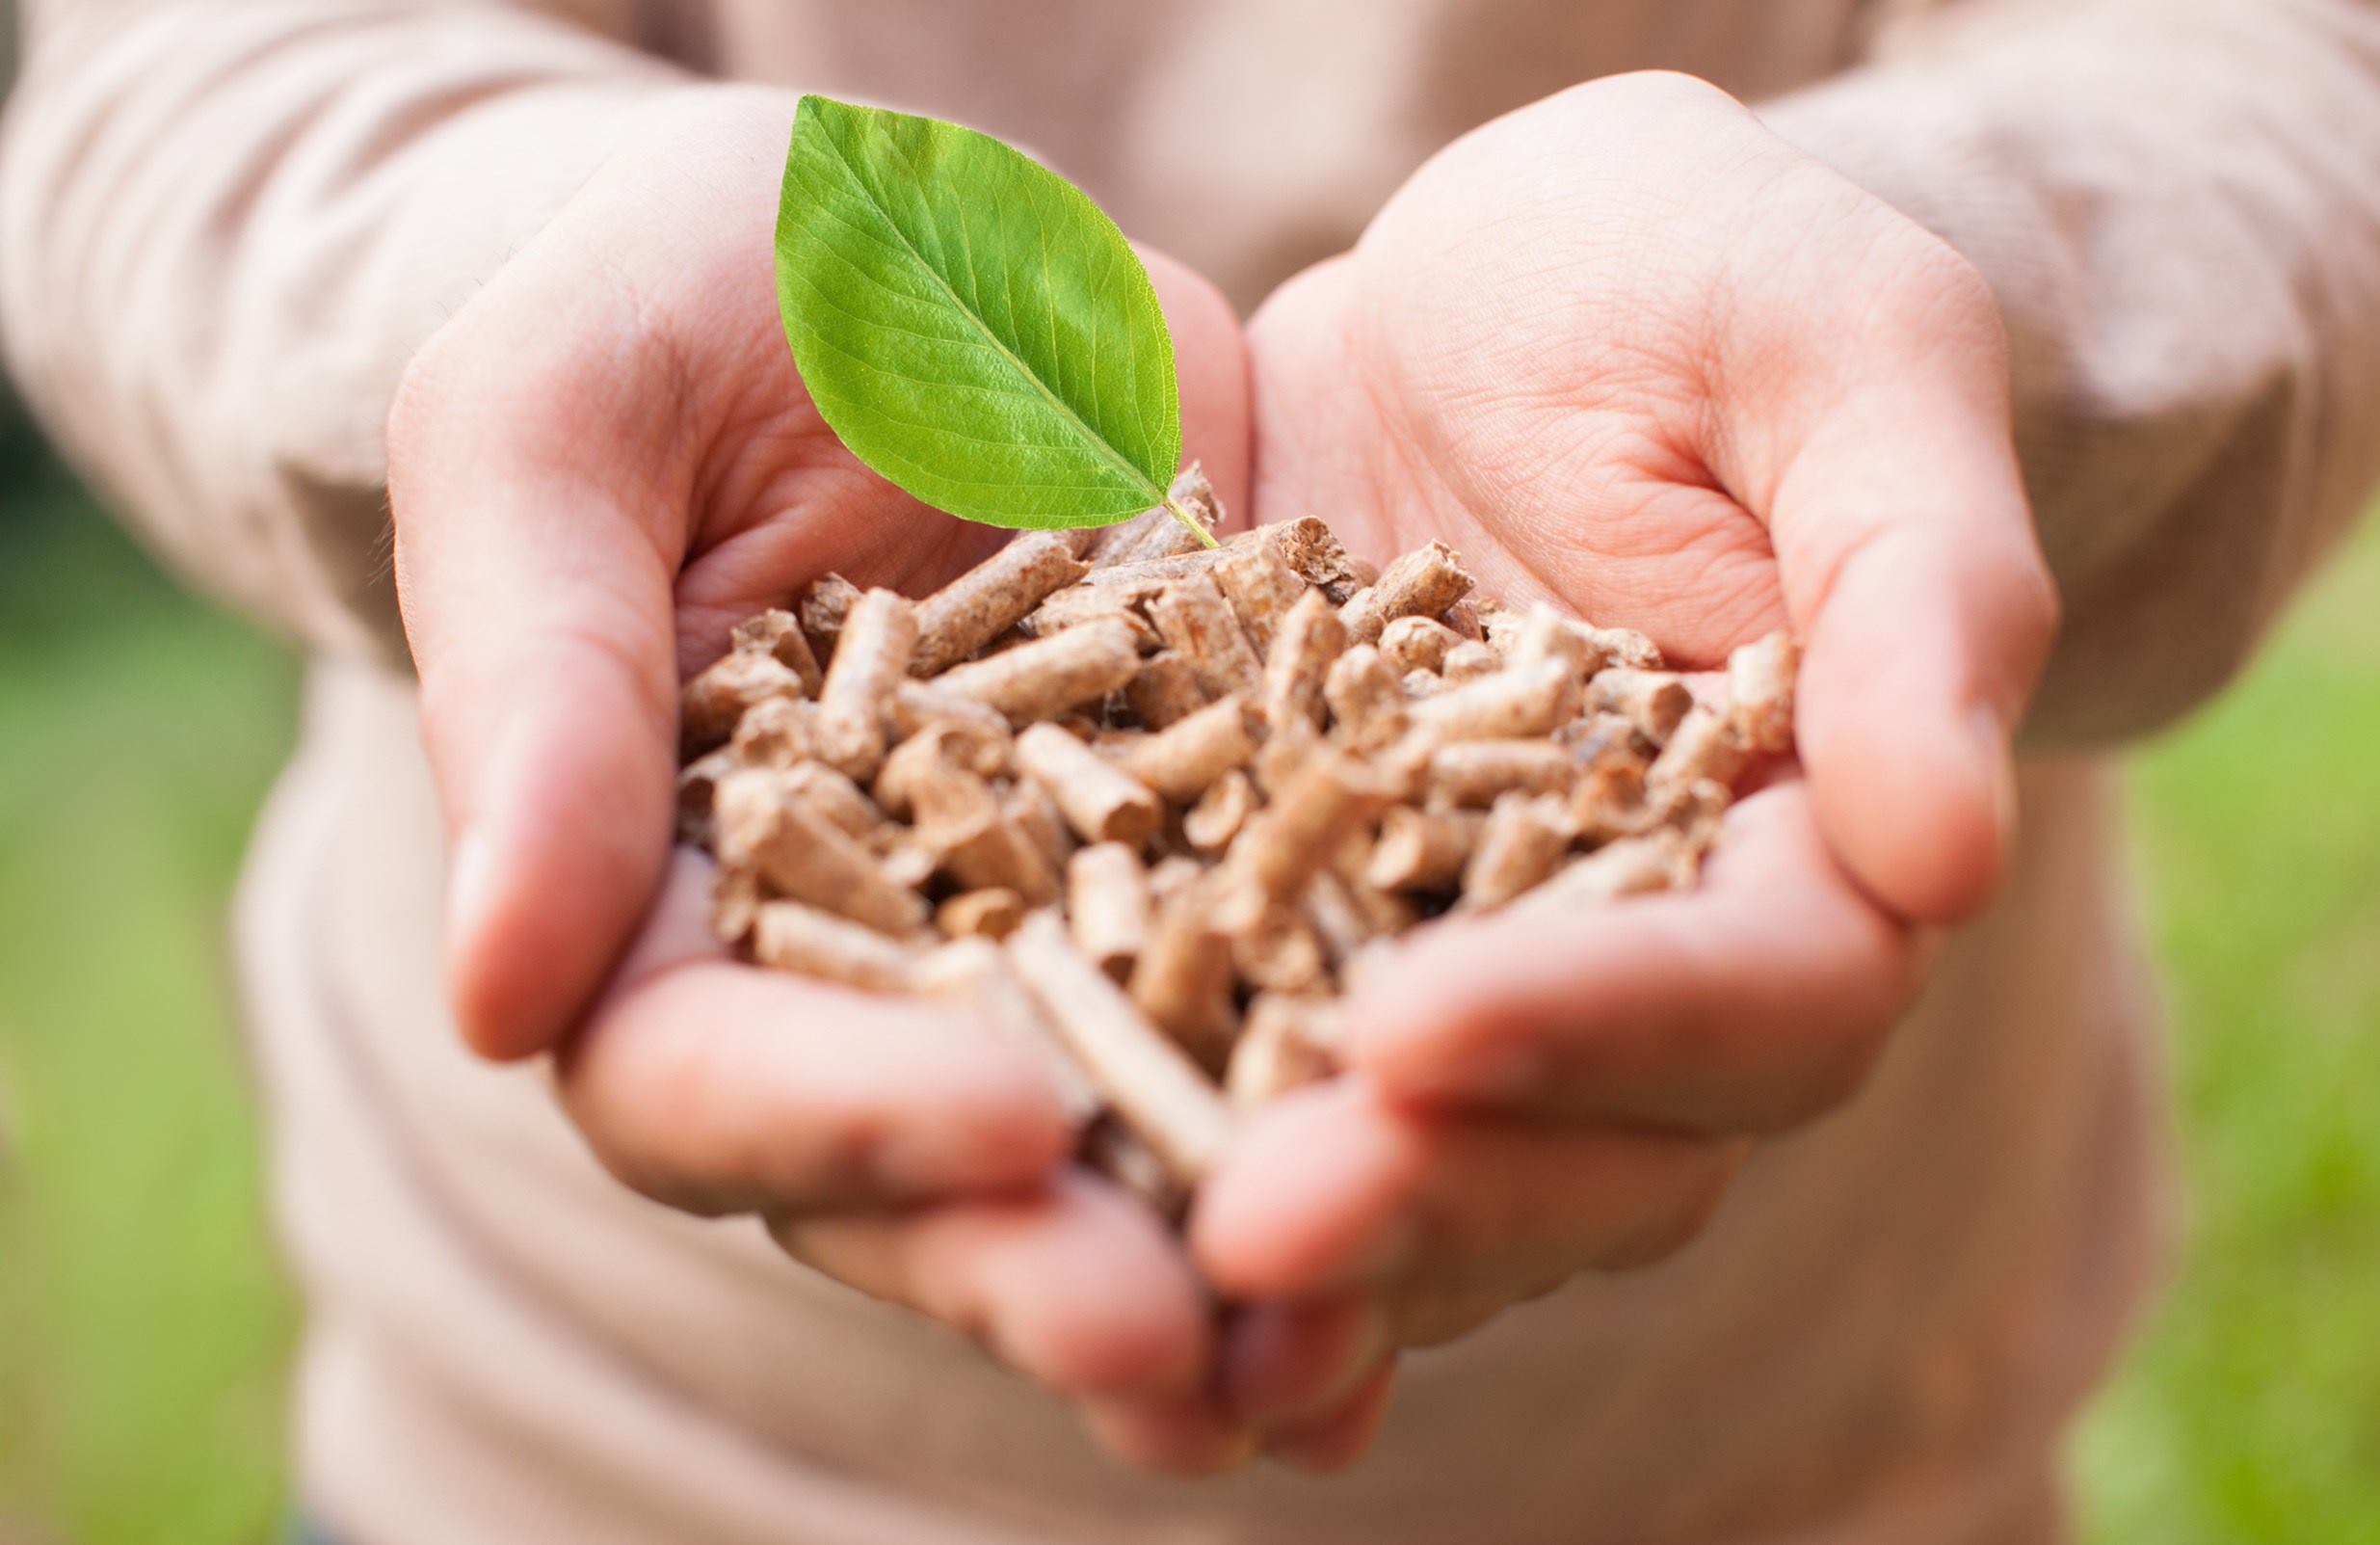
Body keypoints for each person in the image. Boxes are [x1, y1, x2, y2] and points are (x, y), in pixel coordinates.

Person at [6, 1, 2378, 1540]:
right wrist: (518, 289)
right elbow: (188, 76)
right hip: (585, 1452)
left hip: (1788, 1445)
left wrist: (1915, 289)